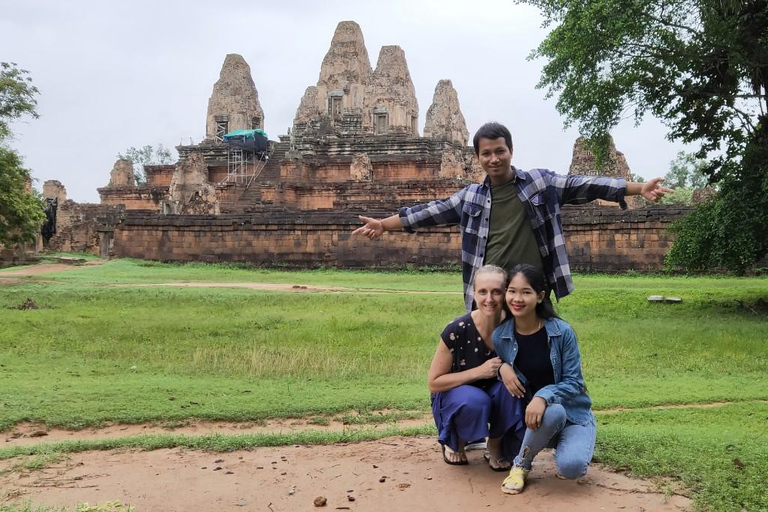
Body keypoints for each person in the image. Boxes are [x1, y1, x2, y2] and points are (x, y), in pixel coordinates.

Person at [353, 122, 674, 312]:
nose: (494, 159)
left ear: (510, 151)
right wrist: (383, 224)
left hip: (533, 292)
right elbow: (425, 214)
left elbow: (584, 185)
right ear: (478, 158)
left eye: (499, 151)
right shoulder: (470, 197)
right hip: (491, 296)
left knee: (540, 371)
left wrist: (637, 187)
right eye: (486, 153)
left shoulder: (540, 183)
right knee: (491, 373)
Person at [492, 264, 595, 495]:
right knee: (552, 412)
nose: (517, 298)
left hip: (573, 414)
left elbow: (575, 383)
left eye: (526, 292)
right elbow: (496, 364)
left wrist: (543, 395)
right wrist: (502, 368)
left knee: (572, 468)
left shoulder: (562, 332)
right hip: (534, 418)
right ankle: (521, 465)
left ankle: (571, 439)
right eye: (512, 291)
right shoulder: (501, 336)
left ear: (540, 296)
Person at [428, 265, 526, 470]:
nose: (489, 299)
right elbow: (434, 382)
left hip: (498, 394)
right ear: (474, 293)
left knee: (516, 388)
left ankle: (496, 445)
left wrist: (505, 368)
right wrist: (479, 372)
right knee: (474, 400)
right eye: (483, 292)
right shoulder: (457, 329)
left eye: (496, 292)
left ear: (506, 293)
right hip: (456, 395)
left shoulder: (515, 326)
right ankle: (457, 442)